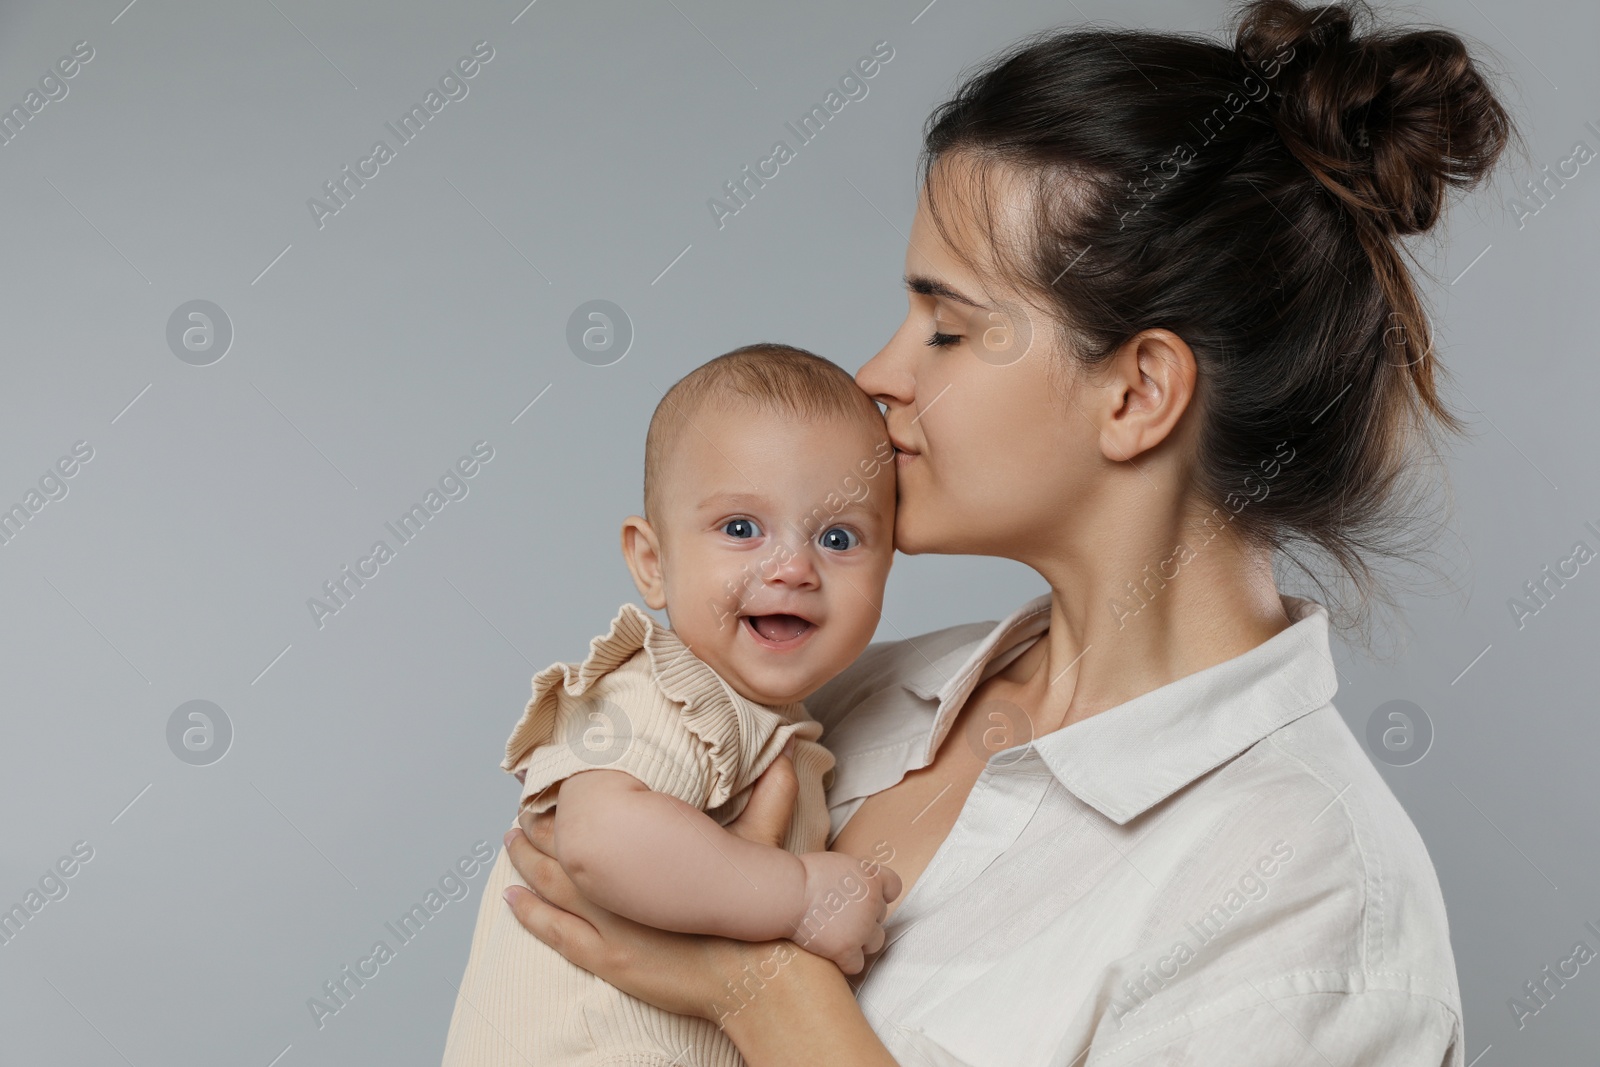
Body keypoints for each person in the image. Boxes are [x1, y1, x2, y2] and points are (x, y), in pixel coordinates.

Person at [494, 0, 1517, 1062]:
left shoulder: (1309, 901)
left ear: (1135, 393)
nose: (877, 375)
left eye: (945, 325)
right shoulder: (847, 691)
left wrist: (761, 992)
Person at [440, 344, 905, 1066]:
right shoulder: (662, 689)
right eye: (741, 528)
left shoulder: (779, 724)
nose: (792, 567)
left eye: (838, 537)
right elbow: (603, 840)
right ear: (652, 562)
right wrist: (798, 893)